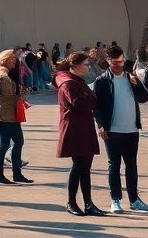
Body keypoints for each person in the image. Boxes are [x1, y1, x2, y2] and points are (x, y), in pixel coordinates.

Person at [93, 44, 148, 213]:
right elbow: (96, 107)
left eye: (121, 61)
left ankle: (134, 199)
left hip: (131, 130)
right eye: (115, 62)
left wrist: (137, 84)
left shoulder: (130, 78)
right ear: (108, 62)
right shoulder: (102, 81)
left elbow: (144, 98)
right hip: (112, 130)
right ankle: (115, 199)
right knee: (114, 165)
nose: (119, 65)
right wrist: (100, 125)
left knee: (131, 165)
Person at [55, 51, 103, 217]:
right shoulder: (68, 83)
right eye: (85, 64)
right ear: (74, 65)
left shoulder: (76, 80)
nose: (88, 67)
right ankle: (71, 202)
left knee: (86, 166)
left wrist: (90, 96)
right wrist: (92, 97)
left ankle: (88, 203)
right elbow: (81, 103)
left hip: (83, 126)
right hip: (74, 129)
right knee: (79, 166)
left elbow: (86, 100)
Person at [0, 49, 31, 186]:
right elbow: (6, 97)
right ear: (5, 60)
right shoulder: (2, 76)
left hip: (11, 114)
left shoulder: (4, 74)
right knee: (5, 144)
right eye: (12, 59)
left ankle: (16, 173)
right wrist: (20, 94)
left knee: (17, 142)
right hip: (6, 115)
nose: (15, 61)